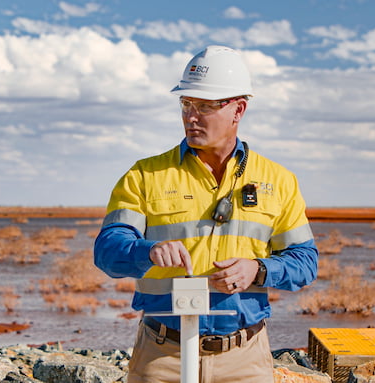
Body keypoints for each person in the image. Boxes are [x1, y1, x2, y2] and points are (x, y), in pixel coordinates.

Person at [94, 45, 318, 383]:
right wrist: (148, 250)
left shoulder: (278, 181)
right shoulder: (144, 176)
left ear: (238, 110)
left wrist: (257, 270)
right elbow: (107, 250)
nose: (191, 115)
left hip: (245, 360)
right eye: (186, 103)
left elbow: (305, 260)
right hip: (162, 356)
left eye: (204, 105)